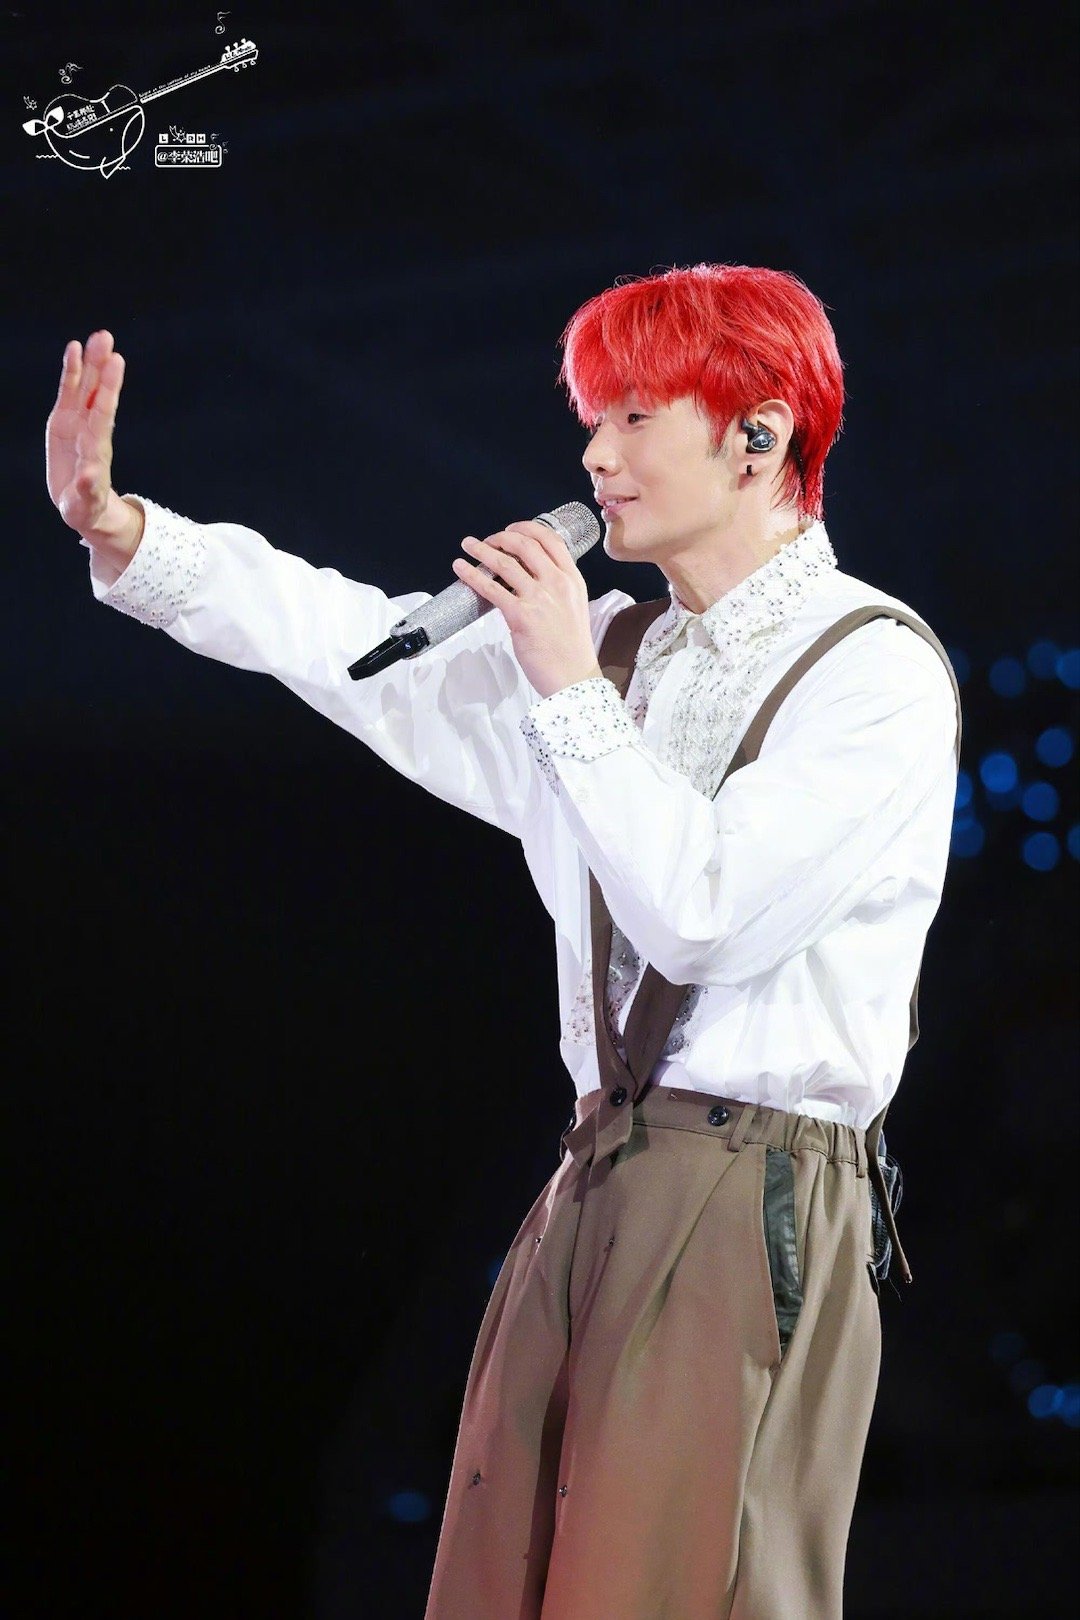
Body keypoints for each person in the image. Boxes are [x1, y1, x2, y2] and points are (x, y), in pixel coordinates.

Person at [48, 263, 961, 1620]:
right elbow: (362, 647)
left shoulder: (871, 670)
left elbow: (704, 914)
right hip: (596, 1170)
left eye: (636, 416)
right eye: (594, 420)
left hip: (752, 1192)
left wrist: (565, 689)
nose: (595, 454)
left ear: (759, 436)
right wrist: (129, 532)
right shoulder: (612, 649)